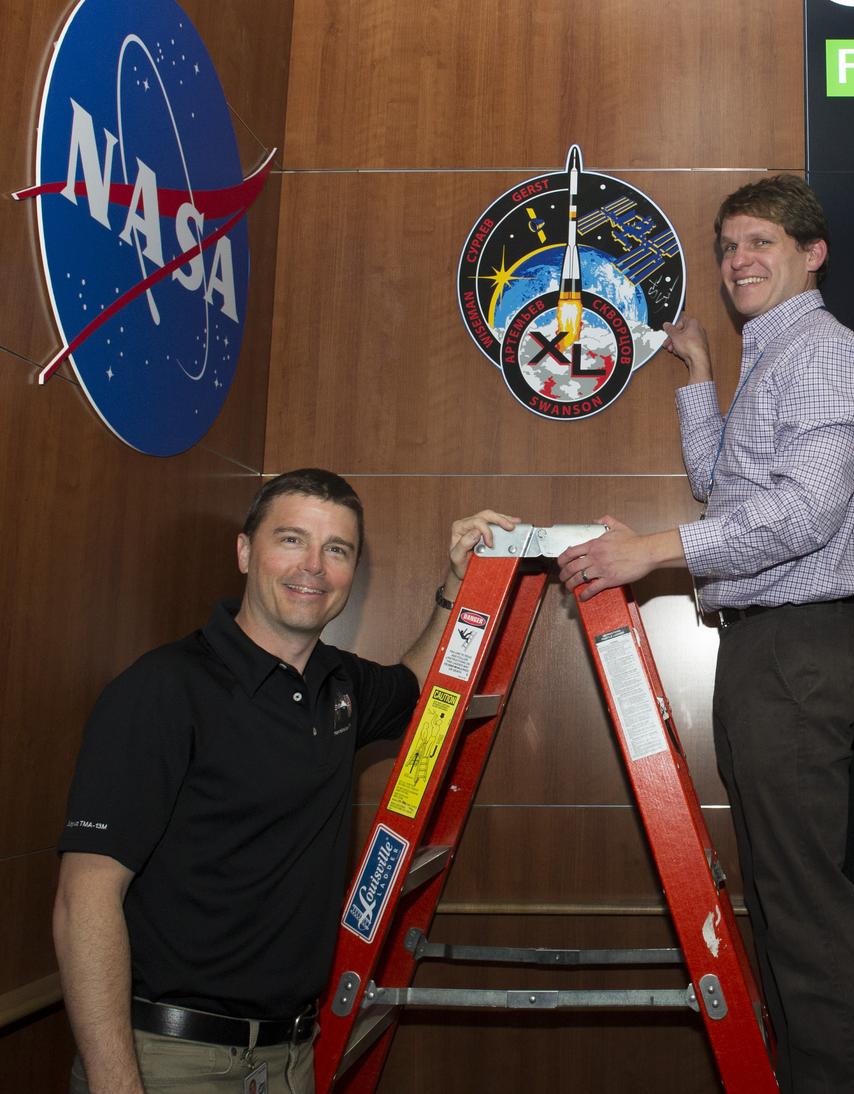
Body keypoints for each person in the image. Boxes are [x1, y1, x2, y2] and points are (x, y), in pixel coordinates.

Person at [557, 175, 854, 1094]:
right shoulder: (773, 359)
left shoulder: (820, 353)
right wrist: (701, 376)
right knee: (782, 906)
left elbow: (807, 515)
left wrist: (650, 555)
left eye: (762, 243)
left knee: (803, 912)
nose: (738, 260)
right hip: (768, 648)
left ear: (812, 254)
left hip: (798, 646)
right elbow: (727, 494)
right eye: (727, 245)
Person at [52, 468, 517, 1094]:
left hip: (291, 1058)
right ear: (246, 552)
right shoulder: (163, 689)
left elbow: (417, 686)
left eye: (337, 549)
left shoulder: (340, 685)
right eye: (292, 540)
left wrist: (456, 590)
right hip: (170, 1063)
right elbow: (84, 899)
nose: (314, 568)